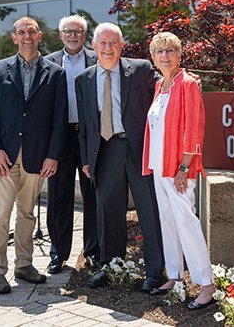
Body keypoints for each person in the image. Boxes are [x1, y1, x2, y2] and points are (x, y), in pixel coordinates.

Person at [0, 16, 67, 294]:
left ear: (40, 36)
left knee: (27, 213)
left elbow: (59, 118)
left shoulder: (55, 73)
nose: (27, 36)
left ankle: (24, 264)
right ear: (14, 38)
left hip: (37, 156)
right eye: (21, 32)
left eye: (31, 31)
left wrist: (53, 155)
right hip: (3, 156)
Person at [75, 22, 164, 292]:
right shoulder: (84, 79)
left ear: (121, 46)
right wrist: (86, 159)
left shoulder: (140, 69)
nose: (108, 48)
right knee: (108, 214)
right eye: (102, 42)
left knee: (149, 211)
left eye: (113, 42)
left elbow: (166, 88)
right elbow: (85, 124)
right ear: (93, 46)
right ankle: (111, 266)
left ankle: (154, 271)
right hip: (105, 150)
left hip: (139, 150)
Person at [142, 32, 215, 310]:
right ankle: (174, 276)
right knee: (168, 220)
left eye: (169, 50)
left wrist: (184, 166)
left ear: (179, 54)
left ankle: (206, 284)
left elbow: (194, 127)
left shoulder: (188, 84)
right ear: (152, 57)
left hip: (178, 168)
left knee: (187, 222)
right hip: (159, 167)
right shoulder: (160, 84)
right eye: (159, 51)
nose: (164, 56)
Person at [44, 15, 99, 274]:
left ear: (85, 35)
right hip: (60, 136)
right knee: (58, 196)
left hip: (89, 136)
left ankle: (93, 251)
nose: (73, 35)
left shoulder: (97, 60)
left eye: (78, 31)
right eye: (68, 31)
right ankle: (58, 253)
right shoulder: (48, 63)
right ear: (60, 35)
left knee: (92, 194)